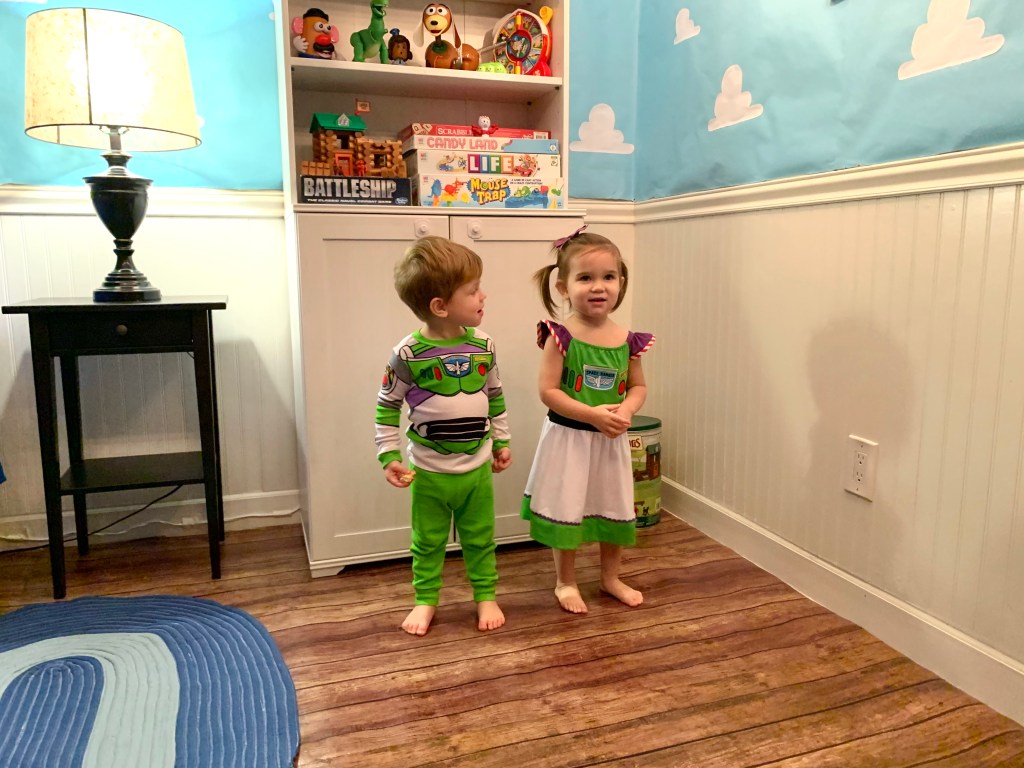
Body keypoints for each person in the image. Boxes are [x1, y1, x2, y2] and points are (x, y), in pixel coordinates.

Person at [375, 236, 512, 636]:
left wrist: (502, 442)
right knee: (428, 541)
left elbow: (495, 396)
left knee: (481, 538)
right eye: (473, 290)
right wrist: (389, 455)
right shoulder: (407, 354)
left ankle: (485, 595)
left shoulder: (484, 346)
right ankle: (425, 599)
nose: (483, 296)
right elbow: (387, 406)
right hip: (429, 473)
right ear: (440, 306)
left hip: (477, 469)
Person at [520, 226, 654, 614]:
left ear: (621, 282)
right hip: (569, 439)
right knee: (568, 506)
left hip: (610, 440)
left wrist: (626, 410)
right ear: (563, 287)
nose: (598, 287)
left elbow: (638, 386)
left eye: (608, 276)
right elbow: (549, 391)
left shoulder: (628, 340)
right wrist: (590, 414)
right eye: (585, 278)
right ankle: (565, 581)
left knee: (613, 505)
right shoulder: (560, 336)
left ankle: (610, 578)